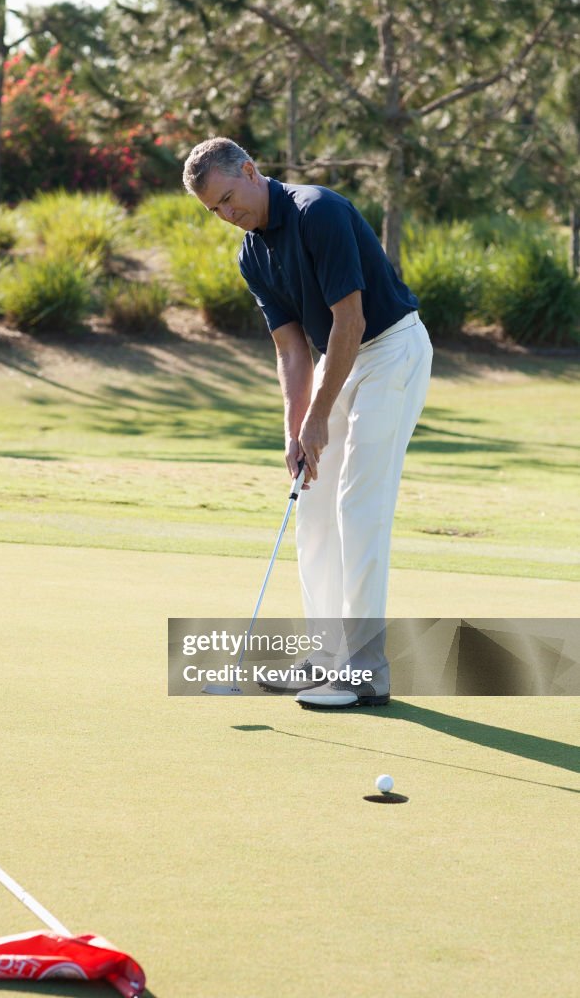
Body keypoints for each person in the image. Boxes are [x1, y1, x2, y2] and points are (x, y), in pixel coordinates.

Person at [182, 137, 432, 709]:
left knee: (358, 506)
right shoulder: (251, 253)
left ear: (249, 171)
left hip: (390, 349)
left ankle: (364, 671)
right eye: (214, 211)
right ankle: (325, 656)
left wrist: (320, 415)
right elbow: (292, 352)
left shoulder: (316, 211)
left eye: (227, 199)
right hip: (333, 359)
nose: (226, 215)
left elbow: (351, 320)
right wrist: (295, 431)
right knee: (313, 505)